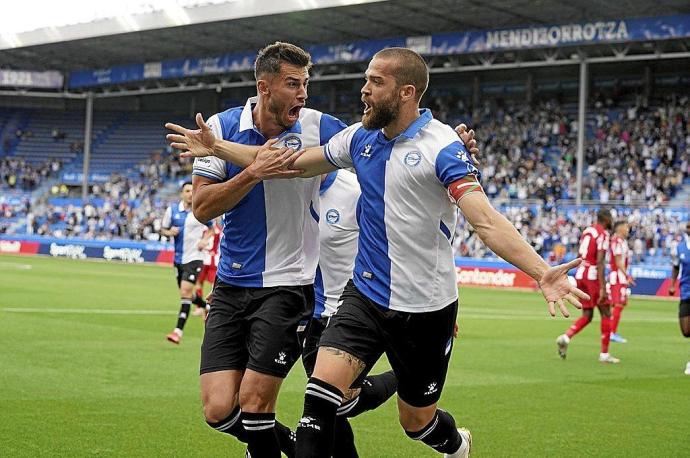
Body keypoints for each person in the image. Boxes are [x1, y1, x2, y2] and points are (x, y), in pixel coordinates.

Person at [169, 47, 586, 458]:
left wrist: (541, 271)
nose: (363, 90)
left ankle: (456, 446)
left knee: (416, 422)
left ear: (406, 92)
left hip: (426, 307)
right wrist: (218, 147)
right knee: (319, 401)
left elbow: (486, 221)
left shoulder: (443, 149)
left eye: (375, 82)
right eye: (366, 80)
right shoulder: (359, 137)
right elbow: (291, 164)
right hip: (364, 297)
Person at [301, 169, 398, 457]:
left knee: (334, 403)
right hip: (309, 312)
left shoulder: (354, 189)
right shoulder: (287, 185)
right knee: (330, 406)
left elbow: (394, 241)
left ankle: (404, 374)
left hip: (351, 309)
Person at [557, 209, 620, 363]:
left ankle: (566, 337)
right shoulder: (603, 234)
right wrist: (603, 287)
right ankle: (604, 354)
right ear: (605, 219)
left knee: (588, 314)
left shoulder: (588, 230)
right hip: (592, 275)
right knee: (606, 312)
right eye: (611, 218)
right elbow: (599, 261)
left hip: (580, 273)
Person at [160, 181, 211, 344]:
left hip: (195, 257)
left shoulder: (200, 209)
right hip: (178, 259)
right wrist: (169, 232)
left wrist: (204, 240)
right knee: (187, 294)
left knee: (185, 292)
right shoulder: (172, 210)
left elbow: (211, 228)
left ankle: (177, 332)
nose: (190, 193)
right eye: (187, 191)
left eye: (192, 190)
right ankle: (205, 306)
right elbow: (163, 229)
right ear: (182, 193)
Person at [669, 221, 690, 375]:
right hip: (685, 291)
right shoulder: (680, 247)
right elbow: (676, 266)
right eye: (688, 227)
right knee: (686, 330)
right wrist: (672, 284)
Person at [608, 220, 634, 343]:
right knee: (618, 304)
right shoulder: (617, 241)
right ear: (619, 229)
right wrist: (627, 276)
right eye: (626, 227)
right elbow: (618, 262)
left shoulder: (622, 241)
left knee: (620, 304)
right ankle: (611, 333)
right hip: (617, 276)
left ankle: (611, 331)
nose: (627, 230)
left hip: (620, 276)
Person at [193, 217, 222, 316]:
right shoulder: (218, 229)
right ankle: (205, 307)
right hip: (210, 259)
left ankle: (205, 307)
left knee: (202, 284)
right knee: (210, 285)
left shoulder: (205, 229)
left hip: (207, 259)